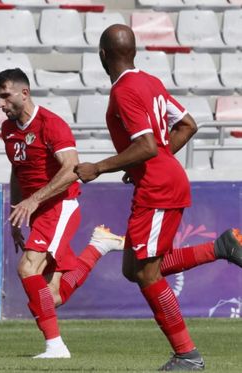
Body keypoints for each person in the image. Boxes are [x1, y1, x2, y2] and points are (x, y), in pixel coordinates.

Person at [74, 24, 242, 371]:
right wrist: (141, 163)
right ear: (133, 52)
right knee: (133, 268)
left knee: (146, 274)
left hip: (158, 188)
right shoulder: (150, 81)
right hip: (161, 179)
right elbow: (188, 125)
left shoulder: (123, 91)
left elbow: (148, 145)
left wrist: (99, 167)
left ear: (103, 55)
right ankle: (221, 247)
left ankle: (187, 355)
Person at [0, 68, 125, 359]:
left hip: (59, 206)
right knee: (49, 298)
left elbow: (71, 170)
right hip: (37, 211)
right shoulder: (8, 130)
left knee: (27, 268)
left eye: (5, 96)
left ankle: (56, 347)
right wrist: (18, 212)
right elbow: (18, 171)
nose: (1, 104)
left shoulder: (51, 124)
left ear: (24, 93)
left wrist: (33, 201)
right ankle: (97, 247)